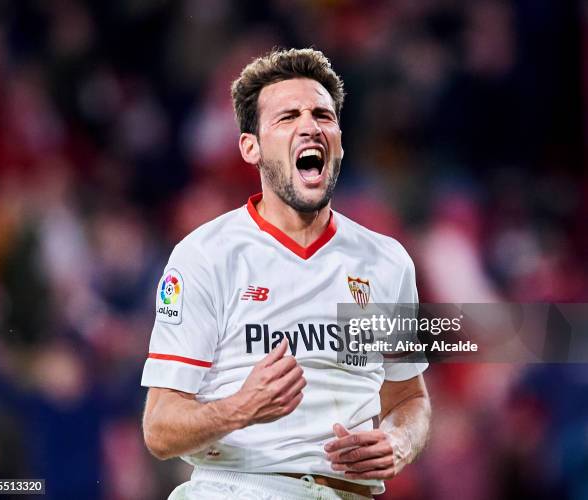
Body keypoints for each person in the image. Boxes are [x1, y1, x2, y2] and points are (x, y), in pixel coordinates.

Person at [141, 48, 431, 500]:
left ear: (338, 139)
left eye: (322, 115)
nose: (310, 125)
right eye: (287, 116)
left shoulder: (385, 262)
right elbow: (159, 429)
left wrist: (399, 441)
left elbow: (409, 399)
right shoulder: (205, 256)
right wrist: (240, 408)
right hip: (237, 489)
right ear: (250, 147)